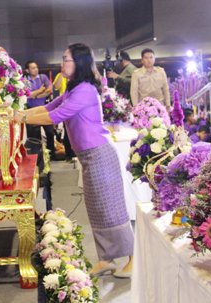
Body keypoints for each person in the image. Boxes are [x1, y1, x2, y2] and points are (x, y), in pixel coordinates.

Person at [14, 43, 135, 278]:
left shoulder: (86, 90)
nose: (62, 63)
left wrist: (22, 118)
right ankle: (106, 259)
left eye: (66, 59)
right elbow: (49, 107)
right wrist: (21, 114)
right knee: (97, 209)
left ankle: (133, 257)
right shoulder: (74, 88)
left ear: (78, 62)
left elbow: (57, 115)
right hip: (88, 157)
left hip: (100, 155)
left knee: (112, 208)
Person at [25, 61, 55, 156]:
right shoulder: (25, 81)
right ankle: (38, 157)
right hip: (31, 110)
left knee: (50, 132)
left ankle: (51, 155)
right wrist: (40, 90)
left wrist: (36, 95)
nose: (36, 69)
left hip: (45, 109)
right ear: (27, 70)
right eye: (33, 68)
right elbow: (27, 95)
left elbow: (49, 90)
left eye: (36, 67)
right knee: (35, 136)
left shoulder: (43, 77)